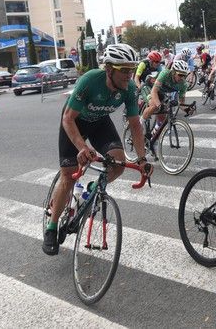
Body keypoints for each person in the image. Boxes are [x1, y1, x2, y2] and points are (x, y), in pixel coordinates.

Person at [43, 44, 152, 255]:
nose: (129, 76)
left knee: (118, 164)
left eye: (131, 70)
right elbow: (68, 118)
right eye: (124, 70)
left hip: (99, 123)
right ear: (109, 70)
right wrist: (82, 147)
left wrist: (141, 159)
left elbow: (136, 125)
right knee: (69, 175)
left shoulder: (128, 89)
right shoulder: (91, 80)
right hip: (74, 123)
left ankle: (92, 189)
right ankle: (52, 227)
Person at [140, 59, 193, 136]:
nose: (182, 78)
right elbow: (154, 92)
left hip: (160, 92)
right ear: (173, 72)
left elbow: (181, 103)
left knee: (162, 119)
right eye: (180, 75)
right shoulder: (165, 73)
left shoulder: (183, 84)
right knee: (154, 106)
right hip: (150, 87)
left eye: (185, 75)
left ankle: (152, 138)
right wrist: (159, 105)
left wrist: (187, 109)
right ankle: (139, 124)